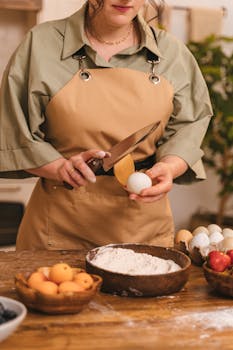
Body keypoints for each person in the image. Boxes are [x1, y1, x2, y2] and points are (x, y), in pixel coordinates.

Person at [0, 0, 212, 251]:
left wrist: (169, 166)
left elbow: (189, 124)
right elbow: (14, 130)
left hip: (143, 228)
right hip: (57, 229)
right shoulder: (41, 43)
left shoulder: (173, 53)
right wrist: (62, 168)